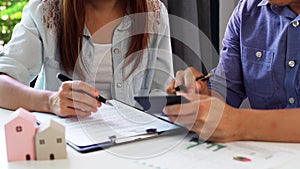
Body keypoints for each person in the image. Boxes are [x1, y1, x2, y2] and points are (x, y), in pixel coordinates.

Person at [0, 0, 173, 117]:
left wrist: (185, 101)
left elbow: (163, 94)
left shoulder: (154, 13)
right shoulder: (45, 10)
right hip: (65, 146)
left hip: (135, 146)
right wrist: (50, 101)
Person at [165, 0, 300, 143]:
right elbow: (227, 88)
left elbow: (231, 120)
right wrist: (200, 97)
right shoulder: (246, 11)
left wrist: (239, 123)